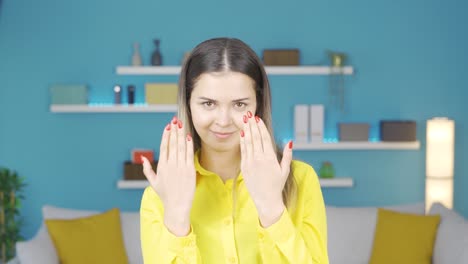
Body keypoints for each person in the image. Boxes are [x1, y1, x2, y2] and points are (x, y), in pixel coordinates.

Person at [140, 37, 329, 264]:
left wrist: (271, 209)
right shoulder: (159, 195)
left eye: (239, 104)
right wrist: (177, 217)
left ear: (257, 104)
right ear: (188, 104)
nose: (223, 121)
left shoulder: (301, 179)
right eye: (208, 103)